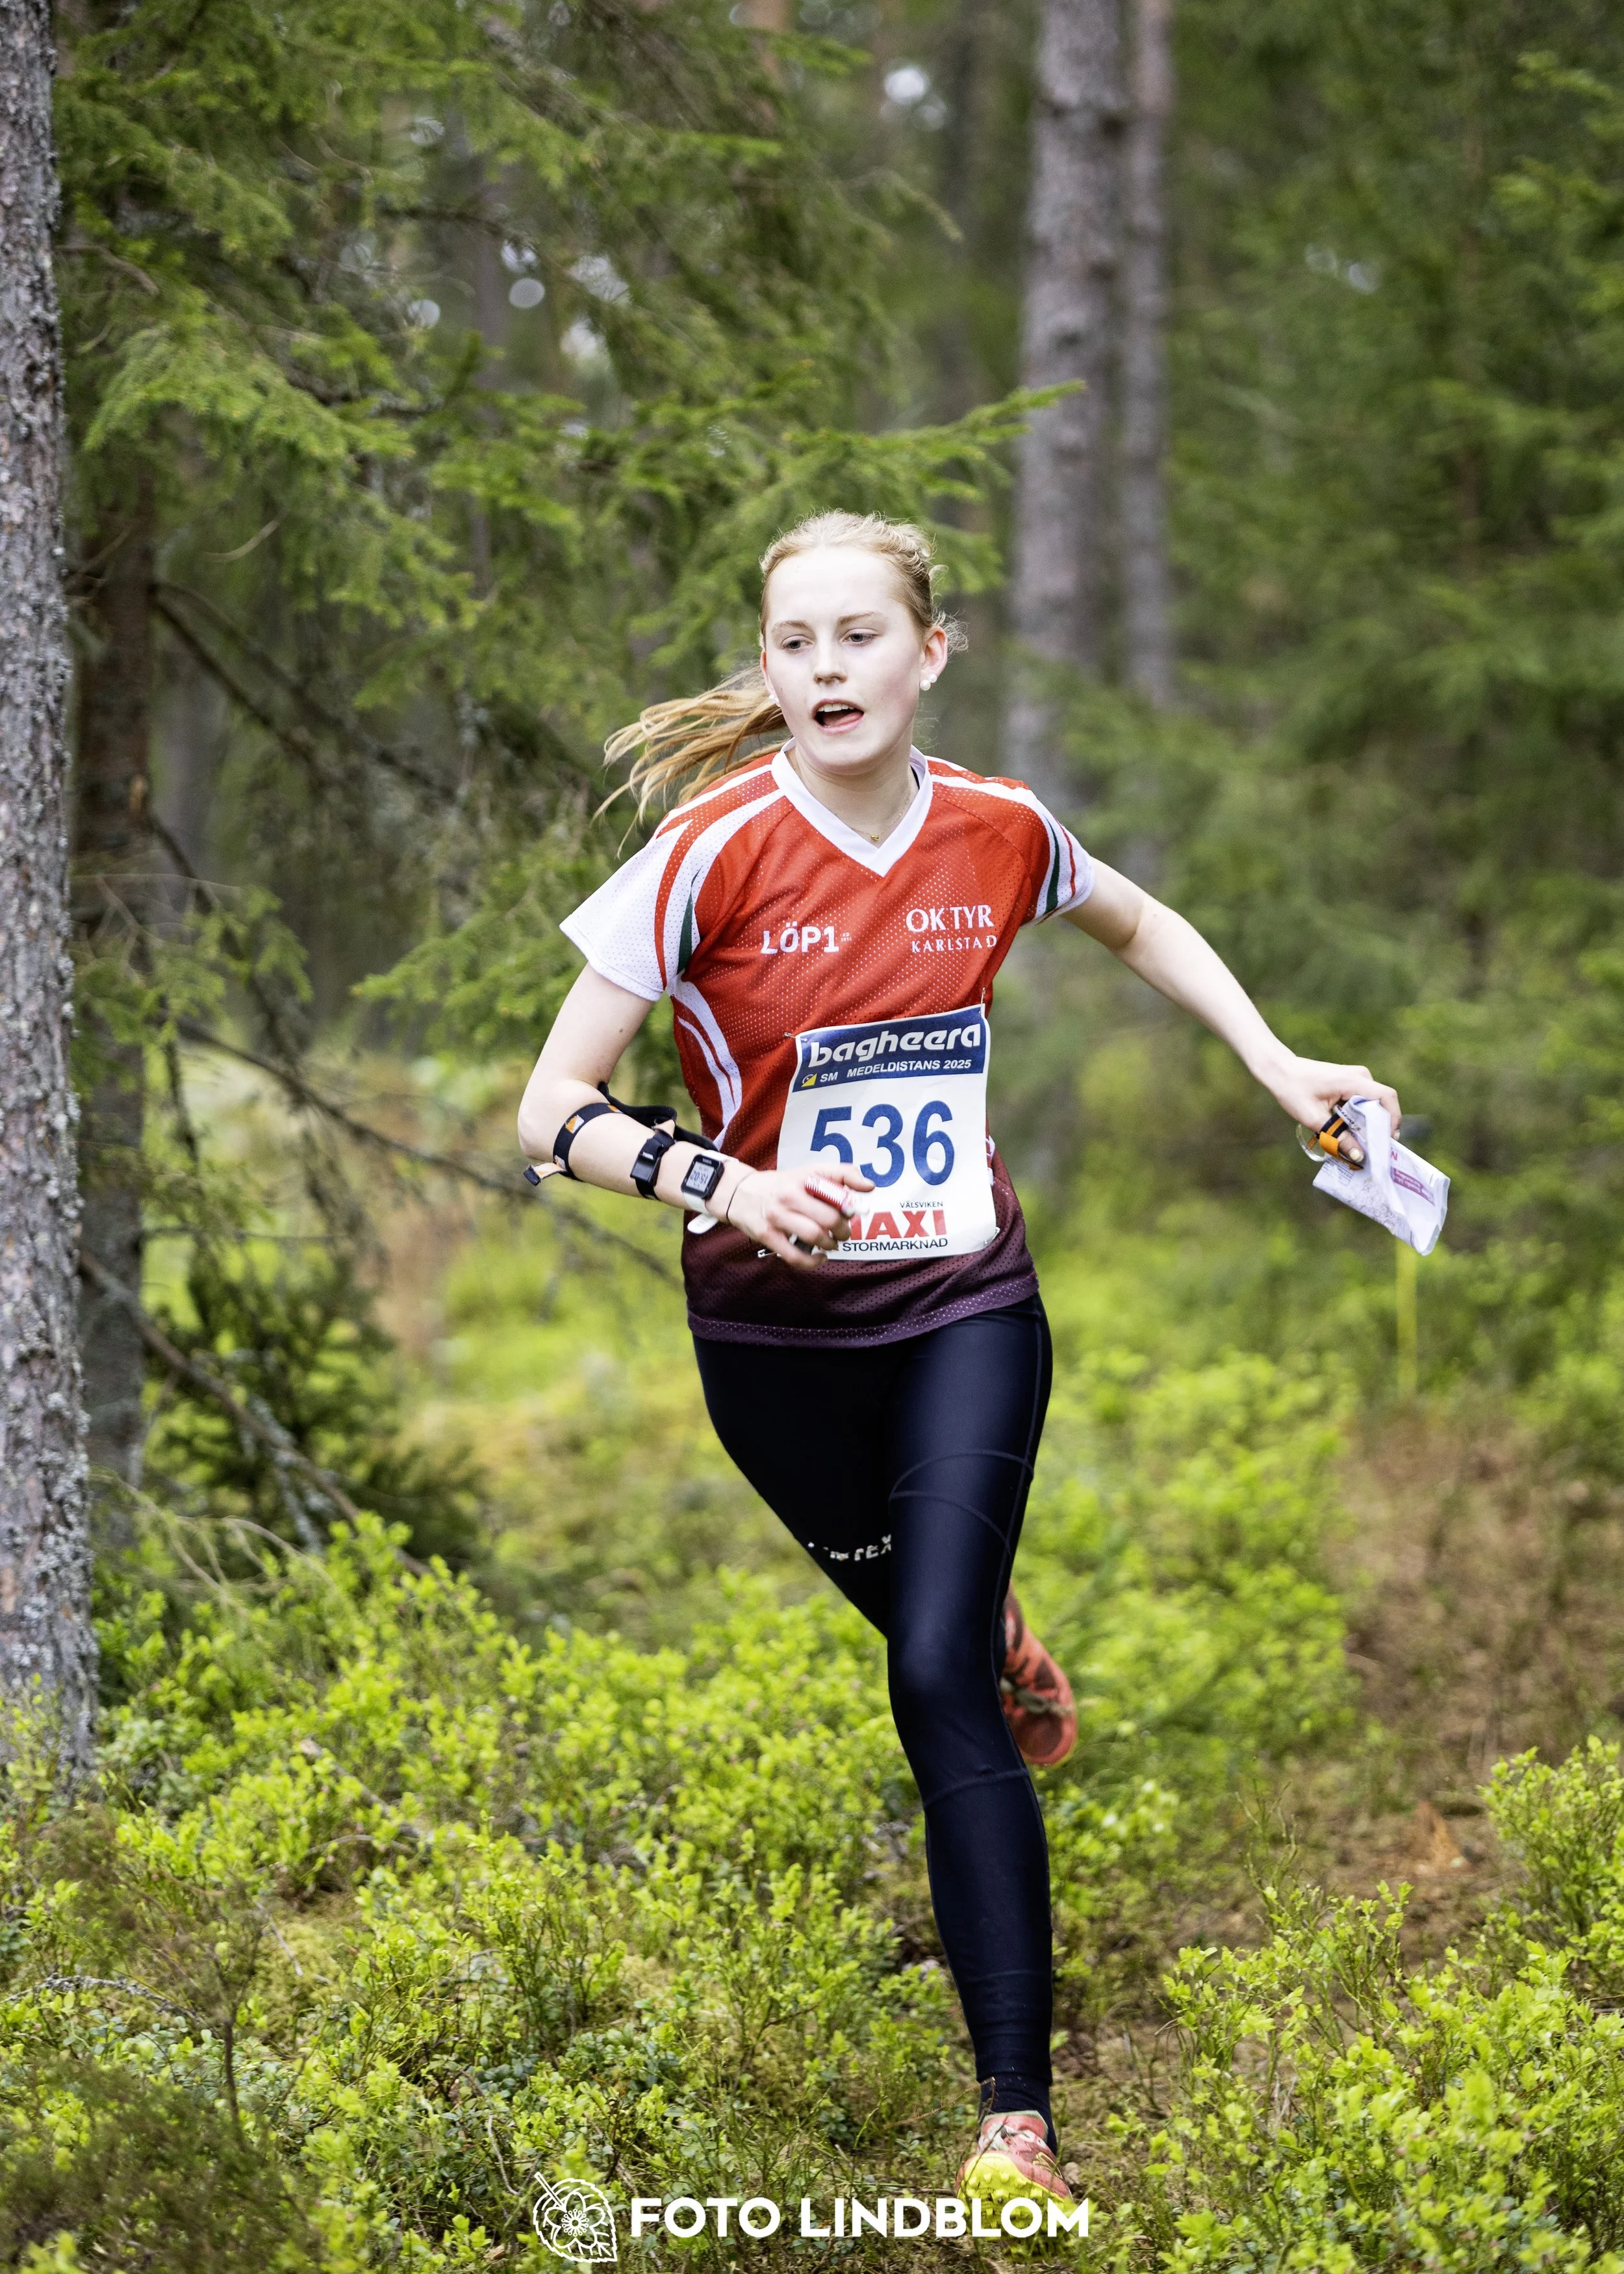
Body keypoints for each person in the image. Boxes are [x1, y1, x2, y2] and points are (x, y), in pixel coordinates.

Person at [517, 511, 1399, 2212]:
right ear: (767, 672)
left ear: (931, 653)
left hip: (964, 1308)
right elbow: (549, 1108)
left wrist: (1274, 1058)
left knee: (930, 1681)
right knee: (938, 1617)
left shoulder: (998, 830)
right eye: (795, 643)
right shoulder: (702, 855)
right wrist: (722, 1178)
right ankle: (992, 1617)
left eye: (859, 635)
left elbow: (1137, 920)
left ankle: (1014, 2125)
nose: (826, 666)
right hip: (767, 1346)